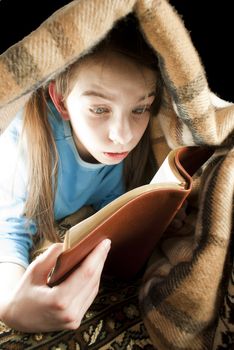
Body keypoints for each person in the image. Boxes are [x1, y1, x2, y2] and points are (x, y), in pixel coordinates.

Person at [0, 15, 162, 332]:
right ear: (61, 101)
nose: (123, 135)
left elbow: (113, 207)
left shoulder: (131, 152)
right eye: (100, 109)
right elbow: (7, 234)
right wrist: (10, 305)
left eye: (140, 108)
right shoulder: (23, 141)